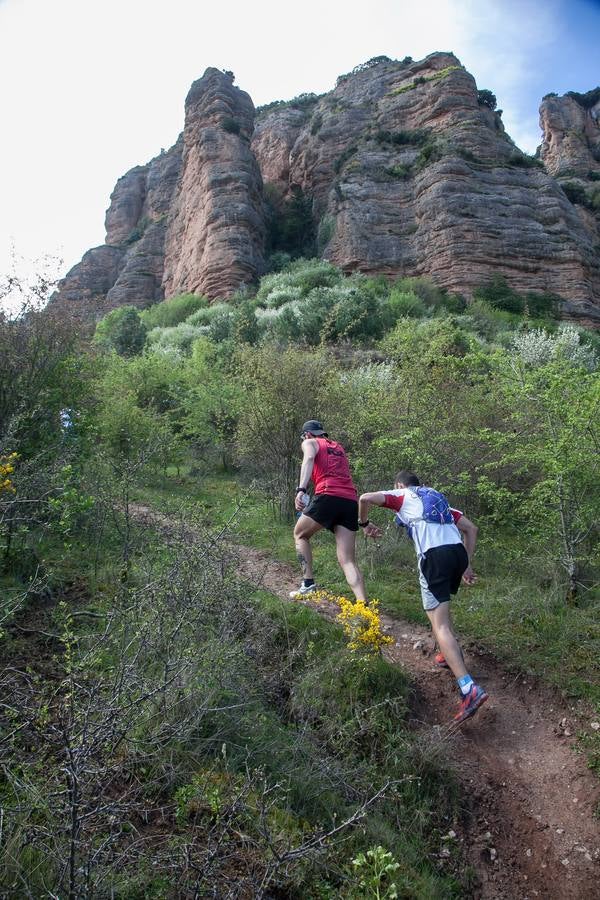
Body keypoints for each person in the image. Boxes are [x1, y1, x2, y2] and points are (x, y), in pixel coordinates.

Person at [358, 471, 488, 724]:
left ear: (399, 485)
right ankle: (445, 654)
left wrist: (364, 524)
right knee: (441, 610)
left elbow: (364, 498)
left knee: (439, 623)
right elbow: (471, 529)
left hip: (434, 556)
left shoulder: (402, 495)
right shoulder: (438, 500)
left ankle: (468, 688)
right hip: (457, 553)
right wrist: (467, 566)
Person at [290, 420, 368, 603]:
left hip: (328, 495)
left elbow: (309, 458)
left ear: (307, 434)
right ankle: (363, 604)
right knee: (347, 559)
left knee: (300, 534)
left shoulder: (310, 442)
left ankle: (308, 584)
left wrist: (301, 489)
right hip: (350, 500)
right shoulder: (338, 448)